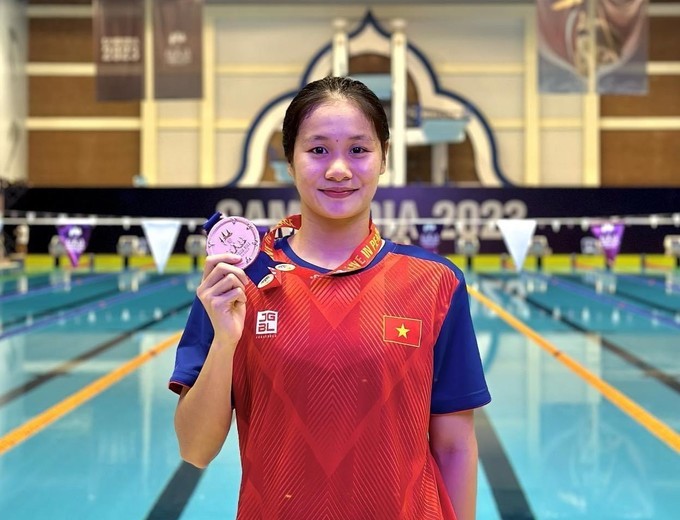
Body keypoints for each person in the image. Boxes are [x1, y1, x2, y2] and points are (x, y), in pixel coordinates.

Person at [169, 76, 491, 520]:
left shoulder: (435, 282)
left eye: (358, 149)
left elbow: (455, 448)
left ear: (383, 158)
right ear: (289, 160)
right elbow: (195, 449)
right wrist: (225, 342)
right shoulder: (236, 280)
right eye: (318, 149)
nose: (339, 169)